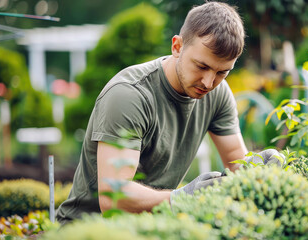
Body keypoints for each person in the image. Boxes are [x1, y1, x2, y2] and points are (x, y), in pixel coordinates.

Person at [56, 1, 249, 225]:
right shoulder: (129, 96)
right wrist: (183, 198)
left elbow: (237, 160)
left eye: (222, 72)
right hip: (89, 230)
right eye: (201, 66)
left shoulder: (218, 94)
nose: (208, 82)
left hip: (153, 226)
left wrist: (262, 170)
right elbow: (114, 198)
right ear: (177, 47)